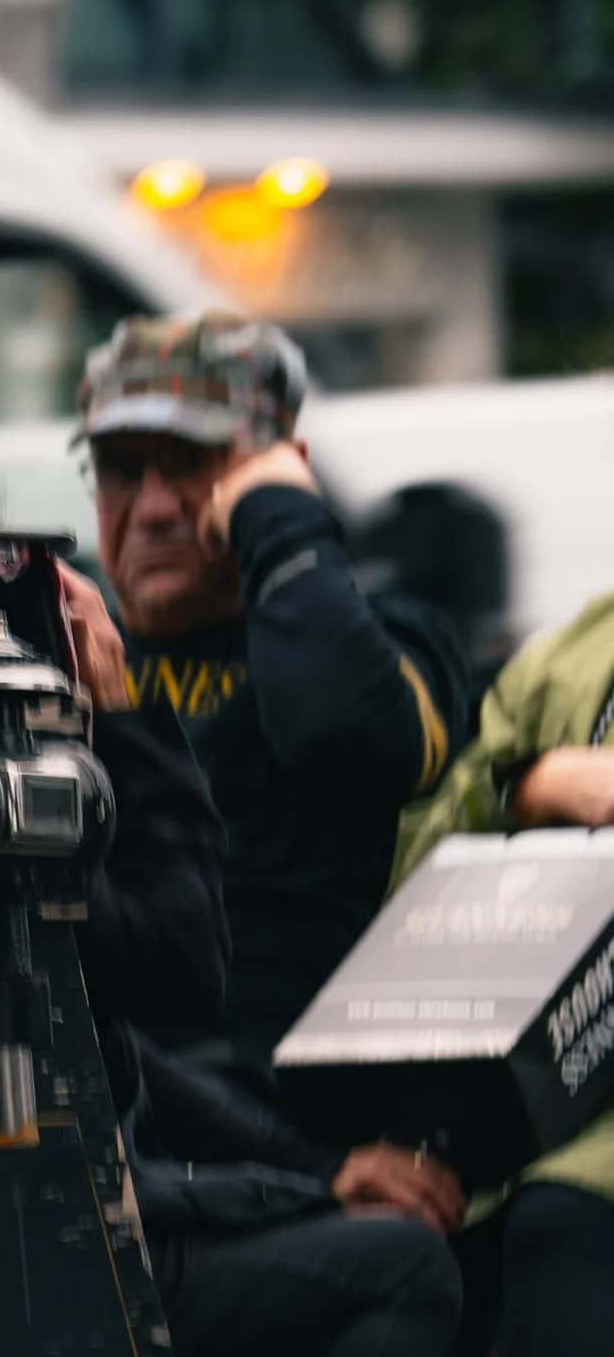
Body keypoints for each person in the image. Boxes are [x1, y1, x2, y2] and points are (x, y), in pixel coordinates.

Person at [55, 561, 461, 1357]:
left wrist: (317, 1171)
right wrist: (122, 714)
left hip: (62, 1229)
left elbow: (122, 1058)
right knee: (406, 1273)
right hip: (68, 1270)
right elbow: (181, 959)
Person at [367, 593, 614, 1357]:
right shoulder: (575, 650)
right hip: (535, 1083)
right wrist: (528, 788)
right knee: (404, 1238)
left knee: (567, 1219)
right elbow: (421, 856)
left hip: (583, 1160)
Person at [82, 308, 471, 1083]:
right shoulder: (75, 654)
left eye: (190, 461)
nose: (153, 508)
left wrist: (283, 523)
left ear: (278, 467)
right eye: (122, 469)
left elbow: (353, 738)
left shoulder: (387, 642)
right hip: (121, 1111)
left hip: (298, 1129)